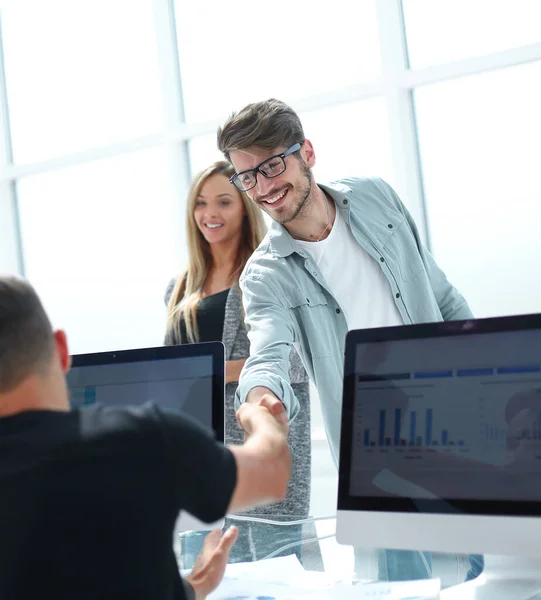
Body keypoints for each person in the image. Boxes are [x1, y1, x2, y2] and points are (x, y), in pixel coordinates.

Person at [216, 98, 482, 582]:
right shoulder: (266, 275)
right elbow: (268, 350)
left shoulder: (377, 198)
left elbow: (441, 297)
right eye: (247, 177)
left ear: (307, 153)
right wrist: (262, 398)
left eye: (272, 165)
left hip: (454, 428)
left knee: (497, 581)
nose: (264, 187)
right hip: (378, 464)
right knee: (408, 588)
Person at [0, 275, 291, 600]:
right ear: (61, 350)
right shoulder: (141, 440)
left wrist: (189, 590)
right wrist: (257, 415)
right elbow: (272, 472)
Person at [164, 161, 316, 565]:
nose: (209, 214)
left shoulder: (272, 273)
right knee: (199, 569)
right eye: (200, 203)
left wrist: (211, 370)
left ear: (244, 208)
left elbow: (296, 363)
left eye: (223, 202)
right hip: (197, 445)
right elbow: (170, 371)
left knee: (275, 569)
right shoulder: (179, 288)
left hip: (256, 436)